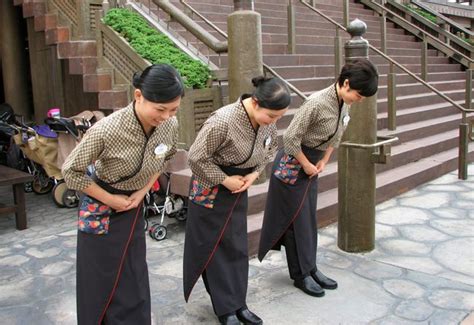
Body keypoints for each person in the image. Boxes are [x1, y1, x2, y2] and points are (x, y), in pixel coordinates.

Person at [62, 64, 184, 324]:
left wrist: (141, 192)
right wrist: (110, 199)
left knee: (133, 271)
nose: (166, 116)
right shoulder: (107, 130)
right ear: (138, 96)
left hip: (133, 203)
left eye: (173, 109)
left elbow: (166, 157)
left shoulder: (169, 125)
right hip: (101, 205)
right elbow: (71, 172)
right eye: (160, 109)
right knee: (100, 276)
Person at [258, 59, 379, 297]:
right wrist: (306, 164)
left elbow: (337, 134)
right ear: (345, 83)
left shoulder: (345, 103)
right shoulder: (316, 103)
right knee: (295, 222)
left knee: (307, 220)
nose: (360, 100)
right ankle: (301, 274)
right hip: (292, 166)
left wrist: (324, 160)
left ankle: (310, 268)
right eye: (359, 95)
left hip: (313, 164)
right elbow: (291, 138)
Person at [183, 76, 291, 325]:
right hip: (211, 187)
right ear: (255, 102)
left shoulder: (266, 122)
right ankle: (225, 308)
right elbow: (196, 158)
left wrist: (253, 175)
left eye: (278, 118)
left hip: (239, 186)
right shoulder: (222, 120)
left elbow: (272, 147)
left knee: (236, 245)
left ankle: (238, 303)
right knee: (215, 247)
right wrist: (224, 179)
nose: (274, 122)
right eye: (271, 116)